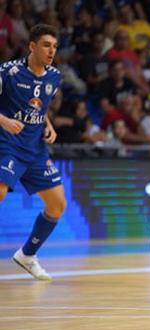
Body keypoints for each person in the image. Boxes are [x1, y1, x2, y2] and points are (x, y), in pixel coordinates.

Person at [0, 24, 66, 281]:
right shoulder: (8, 72)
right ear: (32, 46)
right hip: (8, 144)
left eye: (55, 47)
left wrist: (47, 125)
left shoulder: (54, 76)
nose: (52, 51)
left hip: (35, 149)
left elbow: (41, 107)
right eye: (47, 45)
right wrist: (4, 121)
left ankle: (27, 255)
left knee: (57, 204)